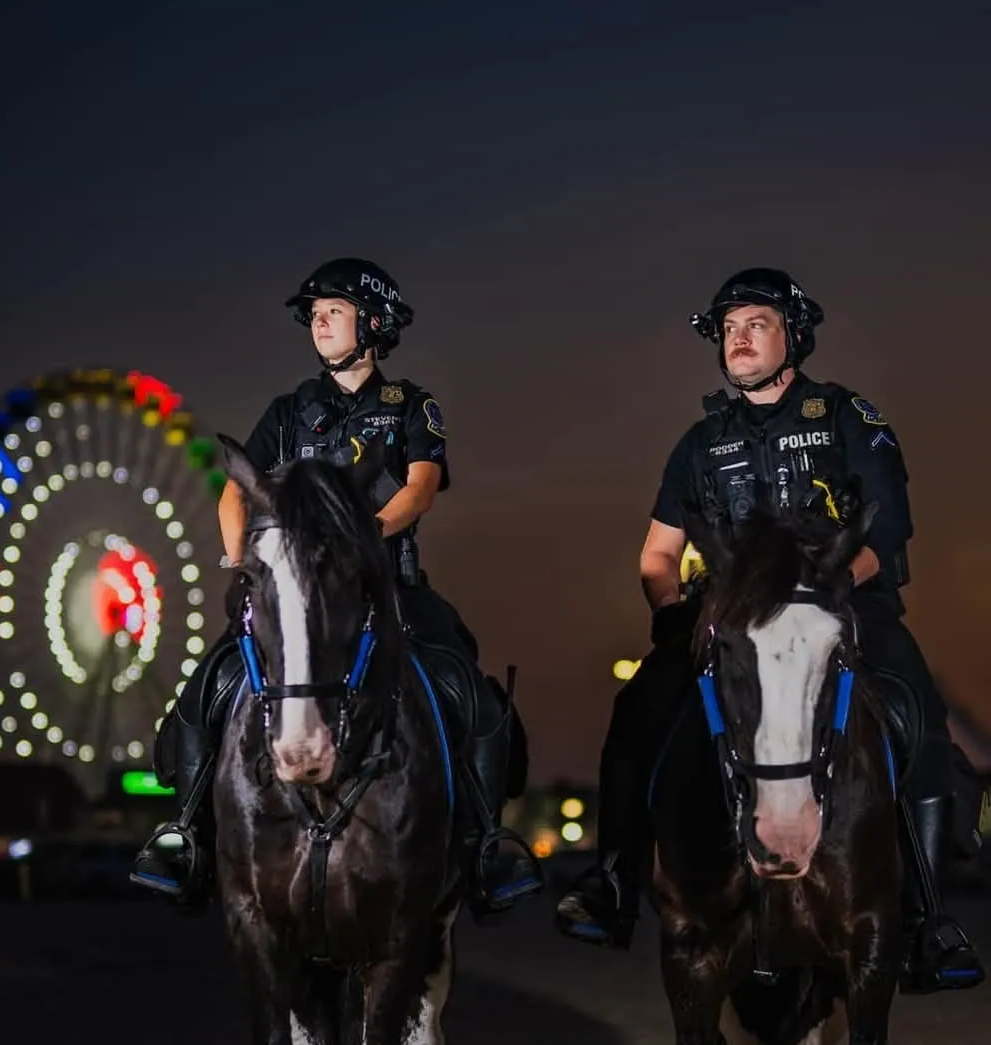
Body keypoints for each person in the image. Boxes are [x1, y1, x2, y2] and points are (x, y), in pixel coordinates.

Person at [555, 266, 984, 994]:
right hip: (730, 623)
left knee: (917, 711)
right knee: (639, 710)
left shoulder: (847, 416)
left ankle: (926, 917)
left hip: (843, 607)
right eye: (729, 330)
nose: (739, 339)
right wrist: (673, 615)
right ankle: (613, 881)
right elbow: (657, 556)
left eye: (756, 324)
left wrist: (838, 586)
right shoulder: (699, 443)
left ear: (795, 337)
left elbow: (894, 526)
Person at [131, 256, 541, 917]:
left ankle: (486, 844)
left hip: (389, 584)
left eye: (334, 312)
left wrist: (364, 540)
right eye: (314, 315)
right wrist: (241, 559)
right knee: (211, 680)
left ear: (373, 323)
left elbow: (420, 486)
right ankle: (184, 832)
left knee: (466, 684)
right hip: (297, 590)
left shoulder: (409, 404)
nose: (318, 324)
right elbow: (241, 486)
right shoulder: (289, 410)